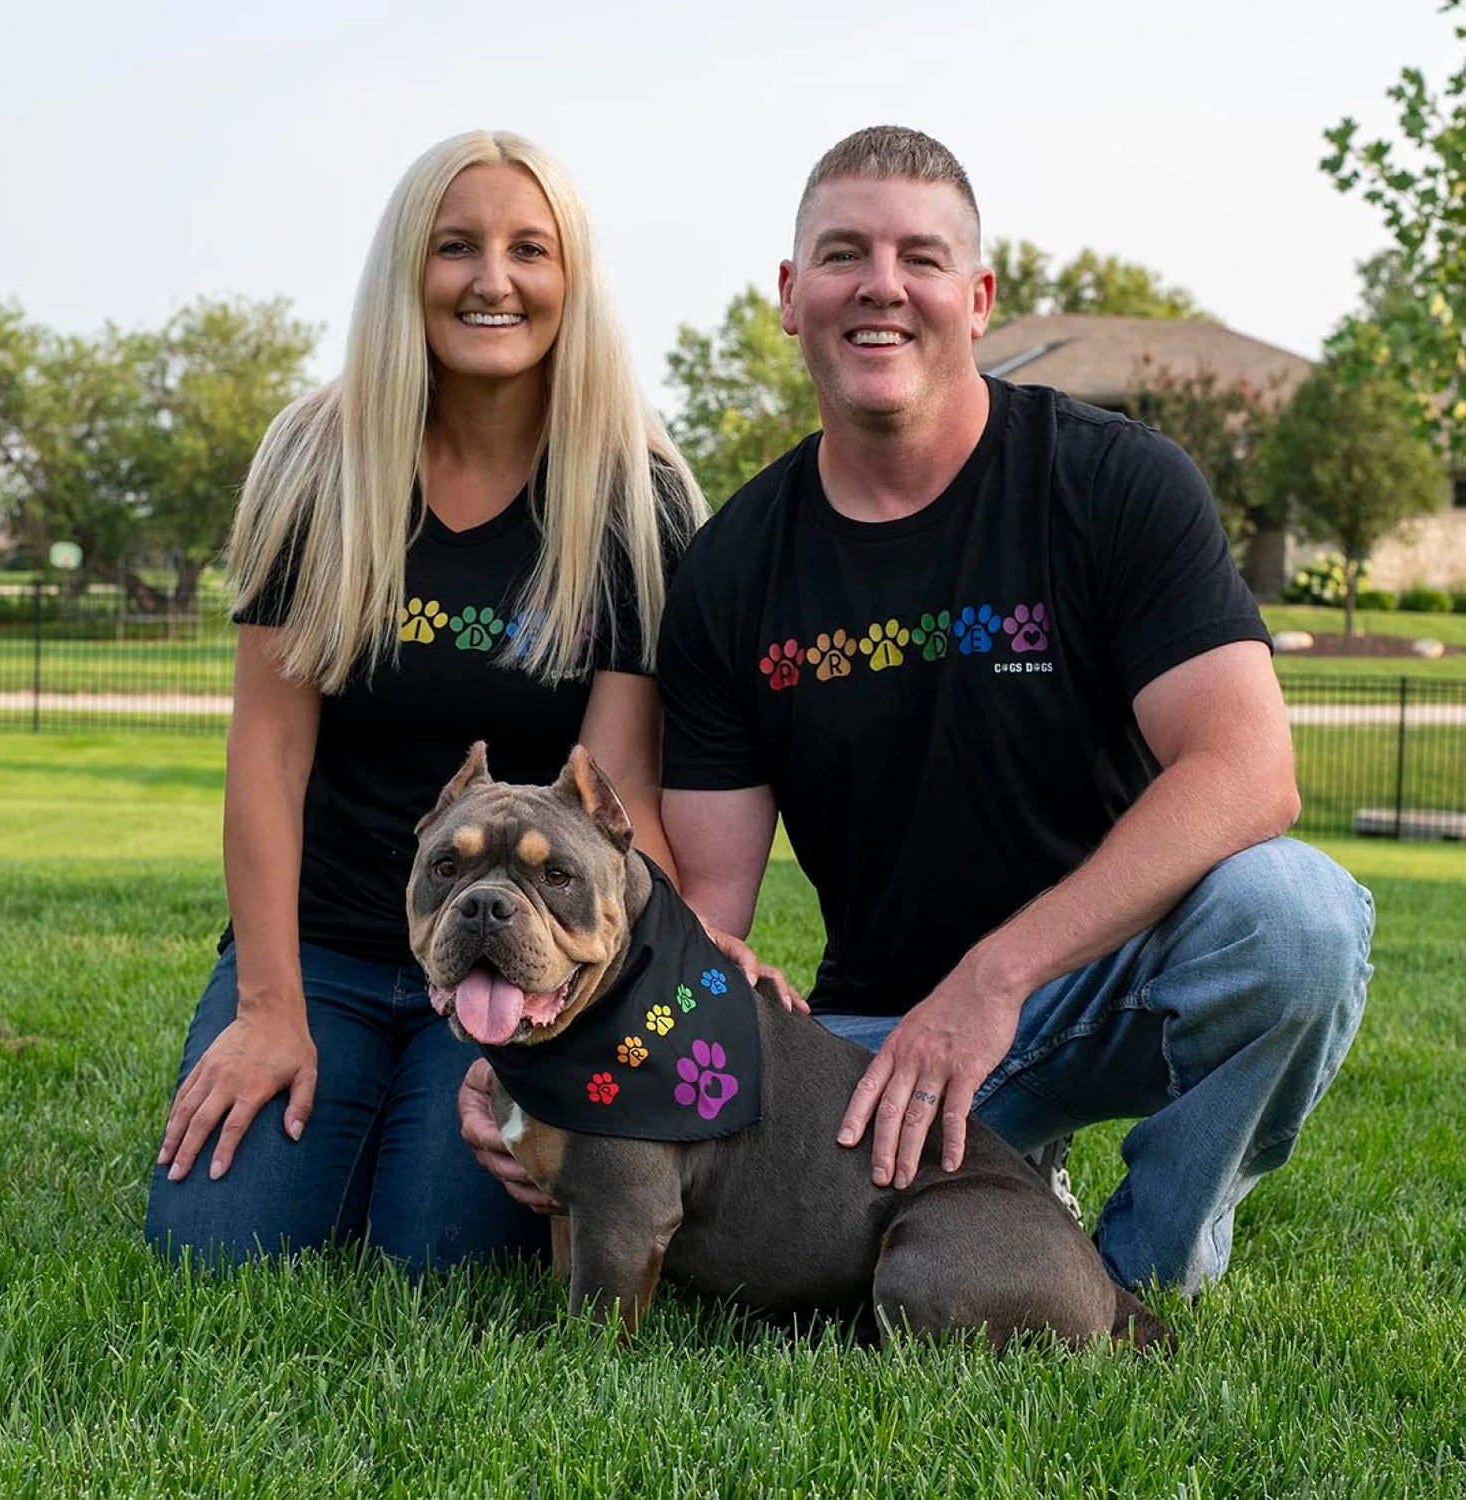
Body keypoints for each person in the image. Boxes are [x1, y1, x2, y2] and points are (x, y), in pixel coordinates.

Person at [651, 126, 1374, 1299]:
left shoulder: (1112, 483)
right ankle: (1005, 1176)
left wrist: (992, 983)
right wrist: (581, 1054)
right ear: (790, 297)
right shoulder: (732, 568)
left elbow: (1249, 771)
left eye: (921, 258)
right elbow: (707, 917)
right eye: (843, 254)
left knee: (1299, 916)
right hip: (874, 1043)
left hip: (1100, 981)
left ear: (978, 298)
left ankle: (1139, 1273)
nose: (882, 285)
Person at [145, 130, 707, 1272]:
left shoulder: (635, 499)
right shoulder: (318, 461)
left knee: (444, 1254)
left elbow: (618, 801)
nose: (491, 280)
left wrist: (629, 1004)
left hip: (534, 966)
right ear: (410, 269)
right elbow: (267, 761)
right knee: (217, 1249)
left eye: (528, 250)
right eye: (457, 247)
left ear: (571, 279)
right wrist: (267, 1007)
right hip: (331, 950)